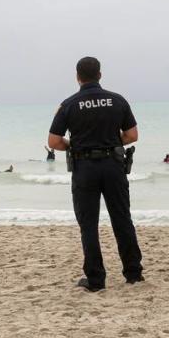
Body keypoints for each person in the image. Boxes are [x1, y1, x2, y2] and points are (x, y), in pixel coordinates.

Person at [48, 56, 144, 290]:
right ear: (100, 75)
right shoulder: (117, 100)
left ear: (78, 77)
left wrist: (75, 145)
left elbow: (53, 141)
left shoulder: (69, 104)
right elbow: (132, 136)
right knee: (122, 219)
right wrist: (111, 141)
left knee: (88, 224)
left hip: (85, 168)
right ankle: (133, 273)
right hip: (113, 165)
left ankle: (95, 279)